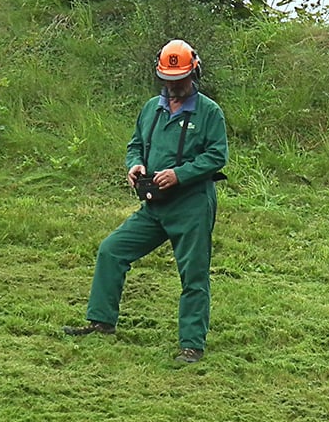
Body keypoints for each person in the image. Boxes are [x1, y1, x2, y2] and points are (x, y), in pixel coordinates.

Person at [64, 39, 228, 365]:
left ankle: (191, 345)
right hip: (154, 205)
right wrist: (135, 165)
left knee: (193, 276)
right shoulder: (151, 108)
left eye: (179, 80)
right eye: (167, 80)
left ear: (194, 73)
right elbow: (135, 144)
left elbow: (217, 156)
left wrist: (179, 174)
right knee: (112, 250)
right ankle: (101, 322)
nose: (173, 87)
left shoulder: (210, 112)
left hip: (192, 204)